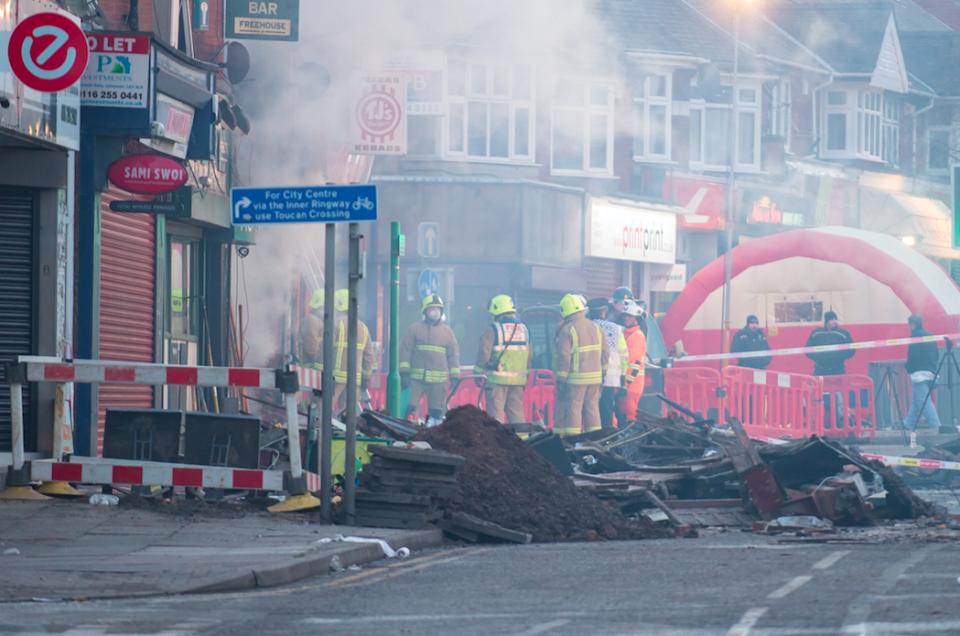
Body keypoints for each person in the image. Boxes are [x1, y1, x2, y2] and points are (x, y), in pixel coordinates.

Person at [552, 293, 610, 435]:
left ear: (565, 311)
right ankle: (595, 440)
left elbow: (564, 358)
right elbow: (605, 353)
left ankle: (574, 441)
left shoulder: (567, 330)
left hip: (576, 380)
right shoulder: (596, 327)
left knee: (574, 411)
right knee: (592, 410)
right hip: (595, 379)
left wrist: (561, 379)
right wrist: (603, 373)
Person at [399, 294, 461, 425]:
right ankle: (403, 432)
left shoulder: (448, 332)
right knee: (408, 409)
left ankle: (431, 437)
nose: (435, 311)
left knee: (436, 414)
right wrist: (404, 373)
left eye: (438, 308)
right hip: (415, 381)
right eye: (431, 308)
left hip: (438, 383)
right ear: (424, 311)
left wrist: (455, 377)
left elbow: (453, 355)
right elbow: (405, 350)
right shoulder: (415, 329)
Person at [473, 295, 532, 424]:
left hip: (497, 381)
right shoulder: (525, 330)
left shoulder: (493, 329)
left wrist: (477, 373)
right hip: (518, 382)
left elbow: (484, 354)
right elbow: (529, 357)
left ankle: (497, 442)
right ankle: (521, 440)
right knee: (517, 414)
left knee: (496, 415)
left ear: (497, 312)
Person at [326, 289, 375, 409]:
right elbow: (369, 357)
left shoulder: (335, 323)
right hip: (354, 380)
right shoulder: (363, 328)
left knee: (326, 410)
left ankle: (322, 428)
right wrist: (365, 379)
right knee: (348, 413)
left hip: (335, 378)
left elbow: (325, 349)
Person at [586, 297, 628, 429]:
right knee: (607, 409)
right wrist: (623, 376)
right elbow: (624, 354)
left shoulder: (585, 327)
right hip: (610, 377)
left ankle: (592, 437)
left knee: (590, 409)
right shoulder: (616, 328)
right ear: (603, 312)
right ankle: (607, 438)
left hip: (590, 376)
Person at [904, 314, 941, 432]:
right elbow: (936, 354)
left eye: (909, 325)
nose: (909, 328)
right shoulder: (930, 335)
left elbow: (913, 356)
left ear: (913, 325)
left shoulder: (915, 335)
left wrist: (908, 367)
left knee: (924, 402)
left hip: (919, 374)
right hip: (930, 372)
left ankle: (936, 426)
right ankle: (908, 424)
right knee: (917, 400)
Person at [620, 300, 648, 422]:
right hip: (628, 385)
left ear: (636, 318)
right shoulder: (627, 334)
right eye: (625, 315)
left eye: (629, 316)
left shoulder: (637, 335)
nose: (626, 318)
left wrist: (625, 384)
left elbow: (634, 362)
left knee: (629, 418)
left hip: (631, 386)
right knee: (624, 416)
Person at [805, 311, 855, 376]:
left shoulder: (843, 334)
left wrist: (841, 357)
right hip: (820, 369)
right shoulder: (816, 333)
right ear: (826, 321)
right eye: (832, 319)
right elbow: (807, 349)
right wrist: (817, 357)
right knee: (819, 386)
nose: (835, 321)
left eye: (835, 319)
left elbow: (852, 349)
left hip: (838, 369)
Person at [297, 289, 324, 370]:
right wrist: (321, 362)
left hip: (315, 369)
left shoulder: (317, 320)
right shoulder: (311, 320)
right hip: (311, 370)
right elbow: (311, 346)